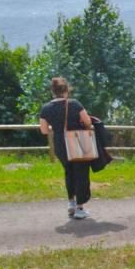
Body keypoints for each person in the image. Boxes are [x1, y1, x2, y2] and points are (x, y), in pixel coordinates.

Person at [38, 77, 95, 220]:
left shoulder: (46, 108)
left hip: (60, 144)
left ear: (53, 91)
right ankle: (80, 208)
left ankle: (71, 203)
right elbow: (87, 121)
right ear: (66, 90)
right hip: (77, 142)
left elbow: (44, 131)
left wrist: (57, 128)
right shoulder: (75, 104)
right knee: (81, 174)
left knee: (69, 172)